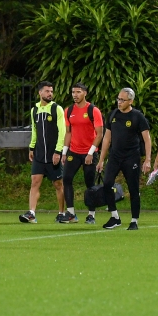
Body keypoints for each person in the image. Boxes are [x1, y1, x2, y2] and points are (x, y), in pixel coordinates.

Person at [96, 88, 152, 230]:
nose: (119, 102)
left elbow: (147, 139)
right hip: (115, 156)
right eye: (118, 99)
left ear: (130, 101)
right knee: (107, 184)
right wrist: (101, 160)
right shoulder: (113, 115)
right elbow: (107, 138)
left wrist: (148, 159)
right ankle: (115, 217)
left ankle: (134, 220)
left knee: (133, 188)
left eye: (122, 100)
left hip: (131, 157)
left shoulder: (137, 116)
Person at [19, 81, 66, 224]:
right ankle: (31, 213)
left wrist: (58, 151)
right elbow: (35, 130)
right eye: (47, 91)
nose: (50, 94)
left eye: (51, 91)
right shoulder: (35, 110)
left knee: (58, 184)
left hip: (53, 154)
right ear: (40, 93)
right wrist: (32, 147)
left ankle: (61, 213)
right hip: (39, 154)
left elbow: (62, 131)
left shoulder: (57, 109)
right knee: (35, 182)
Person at [58, 83, 104, 225]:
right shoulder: (69, 110)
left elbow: (99, 134)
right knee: (66, 179)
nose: (75, 95)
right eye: (73, 92)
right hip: (74, 151)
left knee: (90, 183)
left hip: (89, 152)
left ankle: (91, 214)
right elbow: (68, 132)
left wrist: (90, 153)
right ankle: (71, 213)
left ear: (85, 93)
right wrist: (64, 152)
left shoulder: (93, 110)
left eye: (78, 92)